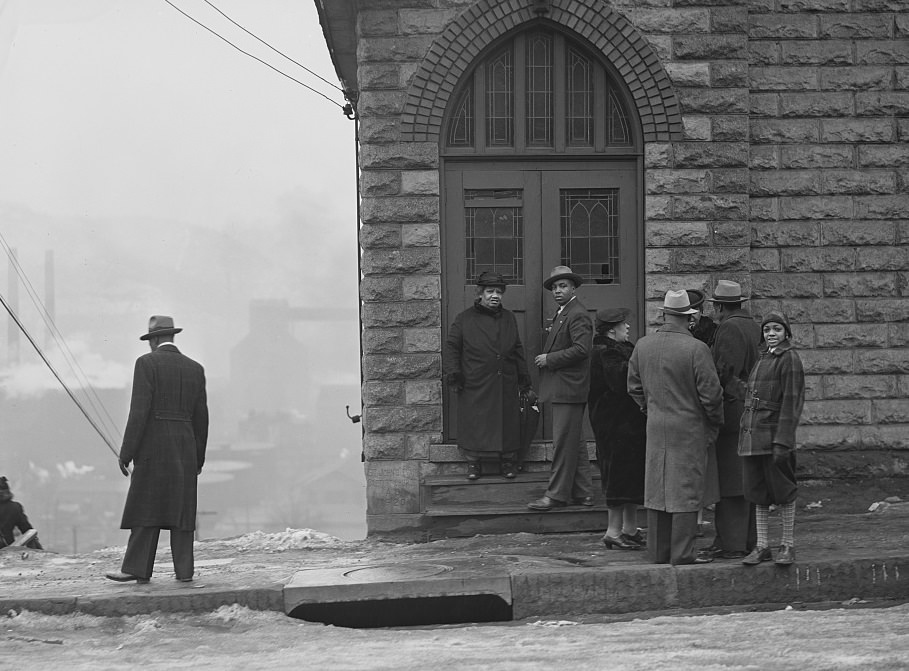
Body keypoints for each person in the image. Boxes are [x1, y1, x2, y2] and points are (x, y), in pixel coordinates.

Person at [106, 315, 209, 584]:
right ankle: (184, 571)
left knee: (145, 508)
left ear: (153, 341)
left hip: (153, 446)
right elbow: (202, 419)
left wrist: (126, 452)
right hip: (185, 448)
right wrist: (198, 457)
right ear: (172, 337)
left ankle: (137, 569)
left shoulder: (146, 363)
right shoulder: (195, 369)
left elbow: (138, 412)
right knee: (182, 511)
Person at [627, 290, 724, 565]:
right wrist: (714, 421)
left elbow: (633, 386)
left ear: (665, 315)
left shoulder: (643, 345)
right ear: (689, 319)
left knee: (657, 488)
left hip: (656, 424)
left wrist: (650, 409)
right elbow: (712, 395)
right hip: (690, 426)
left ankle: (658, 552)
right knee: (686, 489)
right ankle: (682, 553)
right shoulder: (696, 349)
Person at [443, 271, 532, 480]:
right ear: (480, 293)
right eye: (490, 291)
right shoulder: (464, 319)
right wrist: (454, 374)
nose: (495, 296)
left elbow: (517, 349)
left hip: (504, 382)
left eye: (499, 292)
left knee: (507, 424)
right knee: (476, 424)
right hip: (476, 383)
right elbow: (451, 348)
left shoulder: (509, 318)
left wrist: (523, 377)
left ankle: (508, 462)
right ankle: (474, 463)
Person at [699, 280, 761, 560]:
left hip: (733, 409)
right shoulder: (753, 325)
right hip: (752, 409)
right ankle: (746, 539)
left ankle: (732, 542)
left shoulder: (728, 328)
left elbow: (724, 371)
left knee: (731, 479)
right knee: (745, 476)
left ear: (721, 307)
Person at [739, 311, 806, 567]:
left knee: (783, 491)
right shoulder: (763, 358)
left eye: (777, 329)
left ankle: (787, 545)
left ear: (786, 333)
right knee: (758, 493)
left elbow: (792, 401)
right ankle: (762, 546)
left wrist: (783, 441)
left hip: (775, 436)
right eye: (767, 330)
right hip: (753, 437)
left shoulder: (789, 359)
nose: (771, 334)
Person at [527, 266, 594, 511]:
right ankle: (584, 493)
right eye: (554, 287)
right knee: (574, 443)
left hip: (569, 388)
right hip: (565, 388)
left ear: (573, 288)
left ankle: (555, 495)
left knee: (563, 444)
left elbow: (582, 349)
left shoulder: (577, 314)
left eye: (563, 286)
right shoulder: (564, 312)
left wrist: (549, 359)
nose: (557, 290)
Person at [588, 307, 646, 550]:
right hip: (615, 427)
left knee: (631, 476)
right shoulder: (606, 352)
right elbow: (621, 382)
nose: (628, 327)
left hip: (629, 426)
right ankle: (613, 531)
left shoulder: (623, 349)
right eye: (624, 324)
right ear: (612, 329)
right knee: (617, 476)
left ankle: (629, 529)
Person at [0, 476, 43, 550]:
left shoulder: (14, 507)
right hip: (6, 550)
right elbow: (27, 531)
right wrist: (38, 550)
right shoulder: (15, 508)